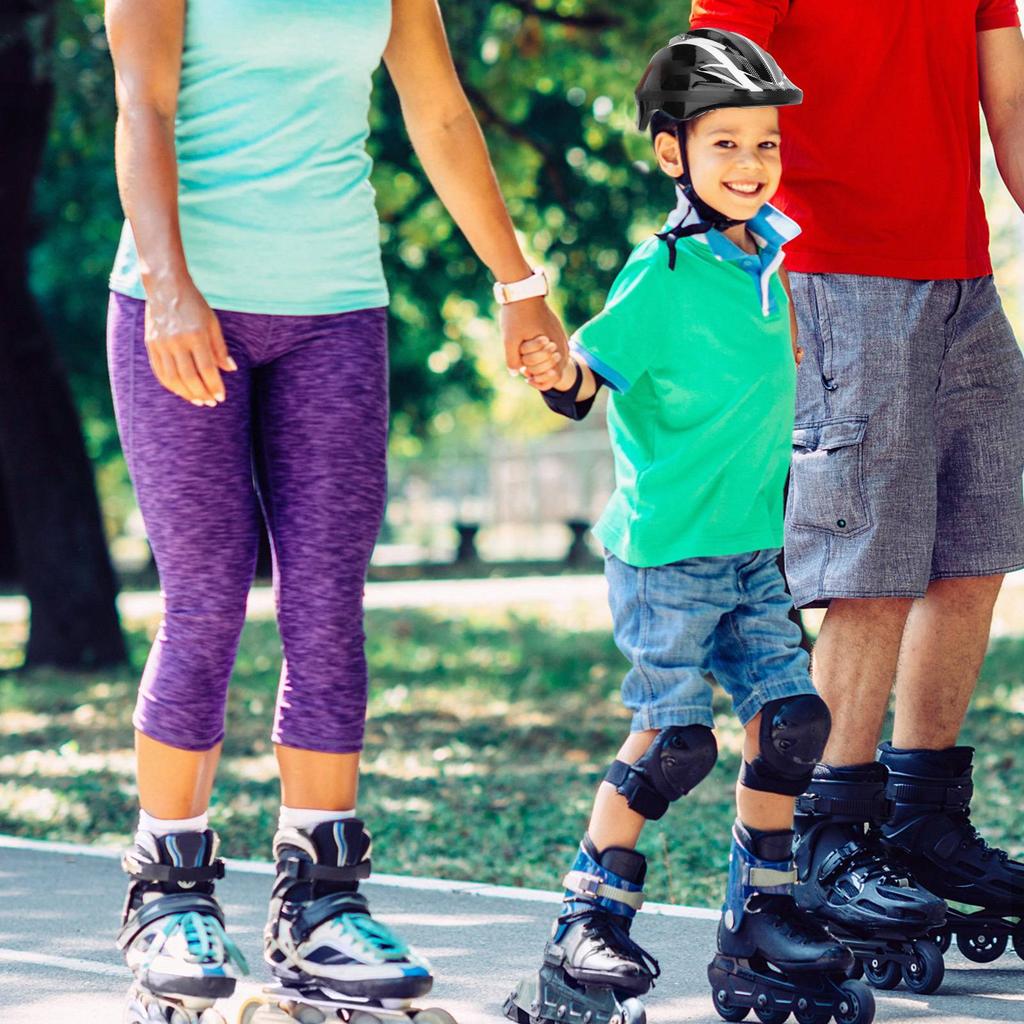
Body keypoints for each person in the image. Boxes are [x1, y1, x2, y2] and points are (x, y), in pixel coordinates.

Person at [103, 1, 568, 1021]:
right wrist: (171, 284)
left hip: (334, 310)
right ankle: (168, 891)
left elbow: (438, 113)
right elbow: (143, 104)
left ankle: (320, 900)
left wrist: (518, 283)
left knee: (326, 602)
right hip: (182, 310)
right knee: (207, 598)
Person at [504, 31, 875, 1024]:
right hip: (665, 555)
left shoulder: (777, 259)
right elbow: (587, 380)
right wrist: (554, 371)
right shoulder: (659, 275)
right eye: (725, 145)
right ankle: (586, 923)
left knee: (791, 727)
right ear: (673, 154)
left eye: (764, 144)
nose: (750, 165)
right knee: (673, 742)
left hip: (753, 552)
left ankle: (761, 915)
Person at [690, 0, 1024, 976]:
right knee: (868, 568)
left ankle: (919, 817)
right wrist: (735, 271)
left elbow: (1005, 104)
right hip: (831, 270)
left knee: (975, 547)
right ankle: (828, 837)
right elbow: (711, 76)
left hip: (960, 276)